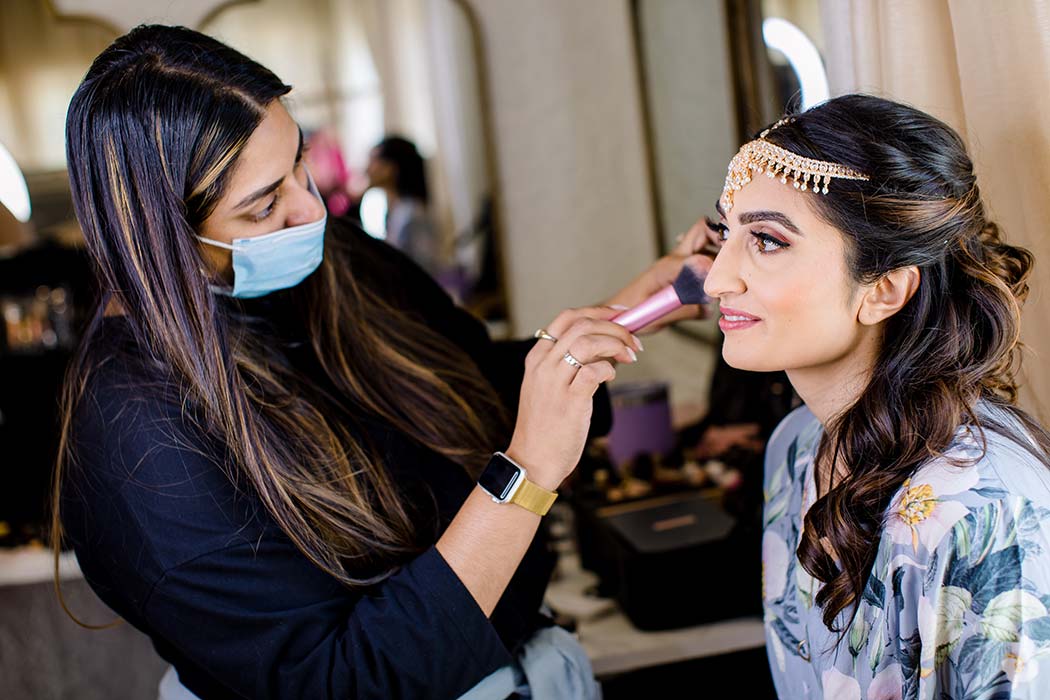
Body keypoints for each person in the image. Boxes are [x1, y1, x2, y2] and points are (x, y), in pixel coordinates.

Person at [52, 25, 707, 699]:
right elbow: (346, 684)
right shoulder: (141, 440)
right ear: (155, 237)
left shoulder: (335, 260)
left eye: (300, 163)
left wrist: (648, 301)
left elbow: (472, 386)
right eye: (263, 204)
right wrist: (530, 472)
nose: (312, 209)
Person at [703, 94, 1050, 698]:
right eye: (725, 234)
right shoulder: (794, 450)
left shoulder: (981, 510)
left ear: (884, 289)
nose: (716, 279)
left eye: (767, 241)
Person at [365, 135, 444, 277]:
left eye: (373, 161)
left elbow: (423, 270)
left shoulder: (412, 214)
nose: (367, 169)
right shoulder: (397, 210)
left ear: (390, 168)